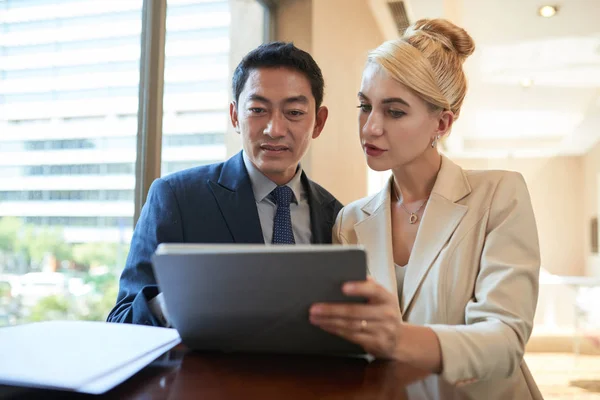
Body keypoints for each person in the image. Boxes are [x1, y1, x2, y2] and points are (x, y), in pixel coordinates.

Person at [308, 19, 543, 399]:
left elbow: (505, 340)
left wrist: (398, 339)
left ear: (443, 122)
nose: (370, 128)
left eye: (395, 111)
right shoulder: (350, 220)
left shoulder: (500, 194)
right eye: (365, 106)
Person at [108, 42, 342, 326]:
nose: (275, 130)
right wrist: (179, 300)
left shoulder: (337, 216)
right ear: (235, 116)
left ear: (318, 122)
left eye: (294, 113)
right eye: (258, 110)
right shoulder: (177, 198)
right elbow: (121, 322)